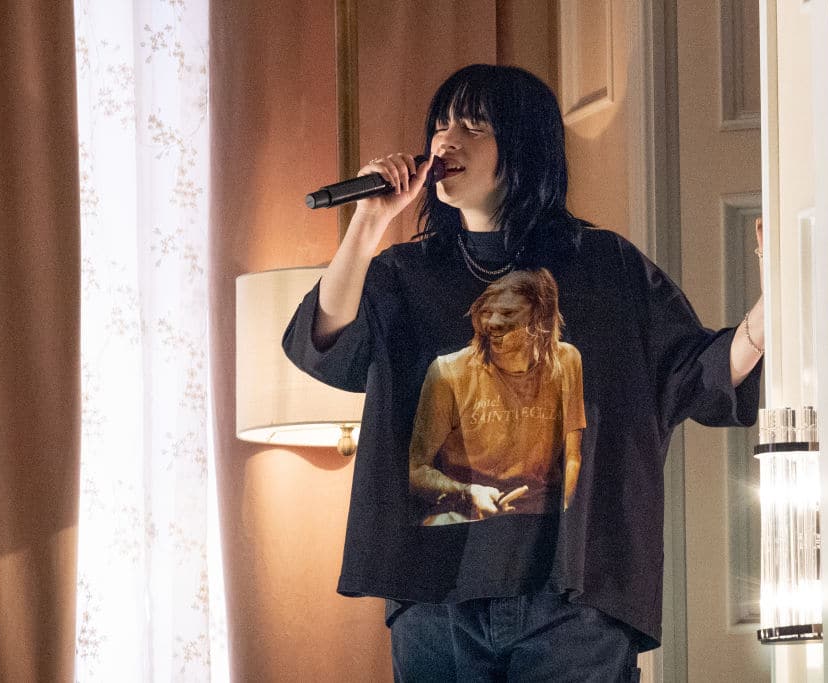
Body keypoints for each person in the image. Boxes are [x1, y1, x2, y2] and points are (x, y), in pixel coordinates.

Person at [283, 64, 764, 681]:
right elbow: (323, 342)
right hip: (436, 600)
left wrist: (772, 303)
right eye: (440, 124)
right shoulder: (403, 274)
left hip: (573, 600)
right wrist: (369, 222)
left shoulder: (606, 267)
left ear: (523, 146)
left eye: (473, 126)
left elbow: (698, 374)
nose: (446, 140)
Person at [409, 267, 585, 526]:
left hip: (541, 521)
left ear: (540, 318)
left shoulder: (567, 361)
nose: (492, 323)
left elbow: (572, 457)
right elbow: (416, 470)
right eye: (486, 312)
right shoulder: (449, 372)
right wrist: (468, 492)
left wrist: (566, 515)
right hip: (465, 518)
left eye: (508, 313)